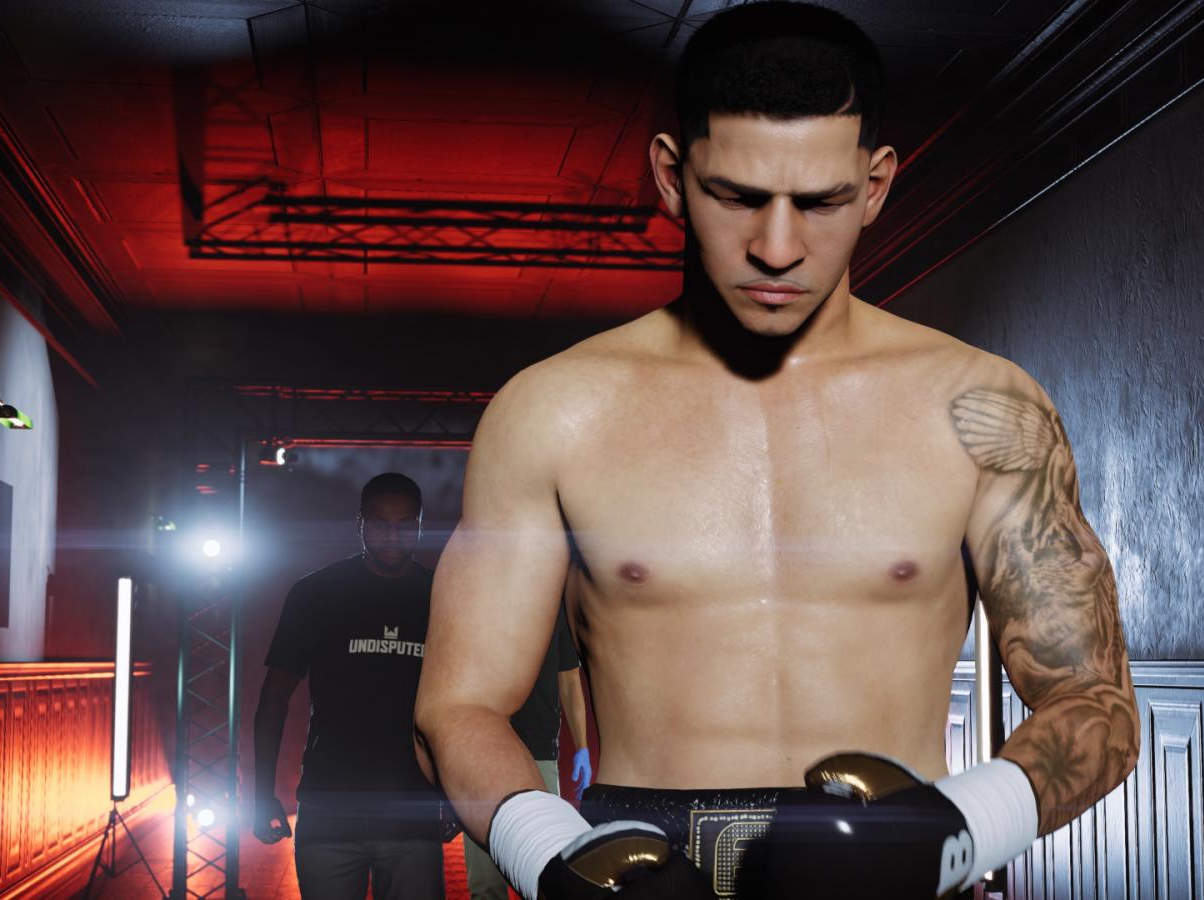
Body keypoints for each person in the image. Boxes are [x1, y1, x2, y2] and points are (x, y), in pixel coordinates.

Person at [415, 4, 1141, 898]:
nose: (778, 248)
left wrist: (951, 833)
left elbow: (1098, 706)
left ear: (875, 186)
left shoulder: (979, 407)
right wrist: (552, 857)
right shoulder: (554, 411)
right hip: (643, 875)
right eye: (739, 197)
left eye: (821, 202)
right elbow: (457, 707)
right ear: (672, 177)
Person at [252, 473, 445, 899]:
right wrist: (261, 793)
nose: (392, 534)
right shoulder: (316, 593)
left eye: (404, 524)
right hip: (329, 808)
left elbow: (461, 707)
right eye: (380, 523)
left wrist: (454, 796)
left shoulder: (442, 596)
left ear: (420, 526)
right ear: (360, 524)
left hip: (411, 811)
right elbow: (274, 696)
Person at [462, 604, 594, 900]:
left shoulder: (554, 605)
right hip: (480, 751)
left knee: (548, 876)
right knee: (485, 886)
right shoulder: (477, 600)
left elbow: (569, 680)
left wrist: (582, 748)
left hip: (538, 750)